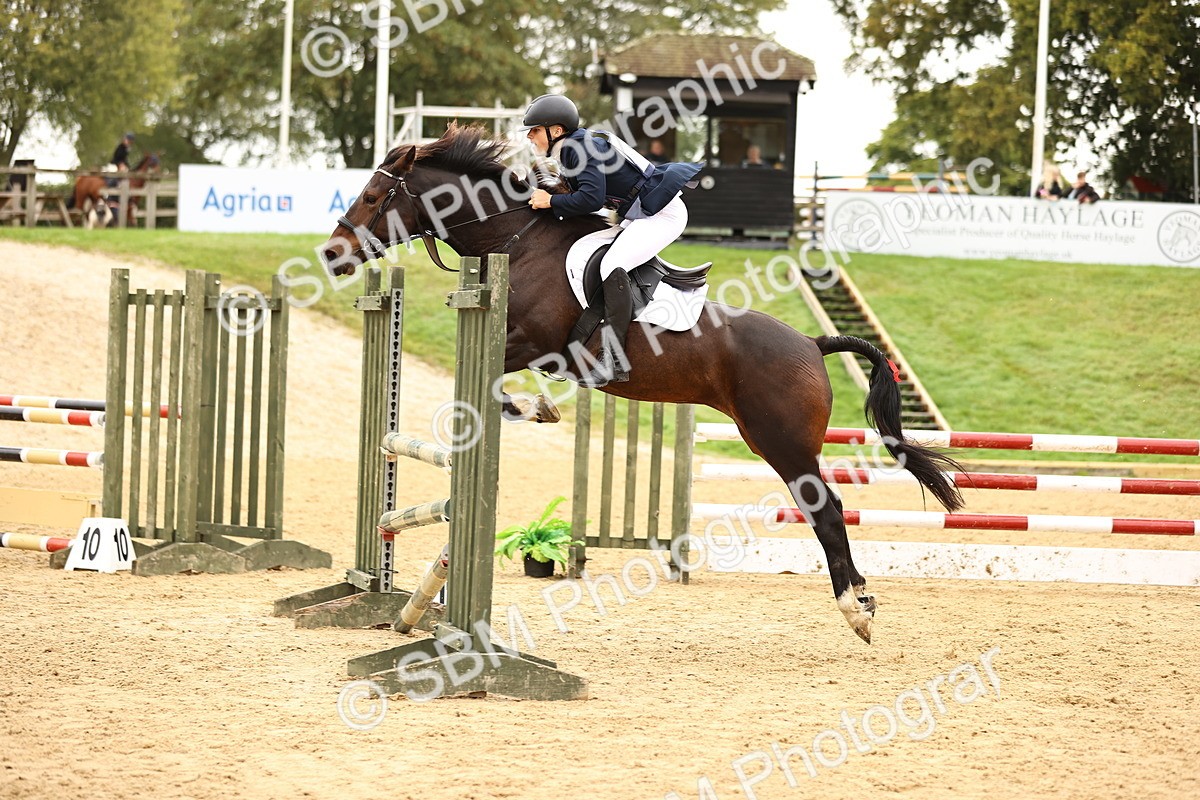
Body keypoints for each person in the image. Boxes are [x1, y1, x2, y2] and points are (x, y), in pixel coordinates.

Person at [522, 93, 702, 388]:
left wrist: (551, 202)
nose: (530, 136)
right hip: (641, 213)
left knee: (612, 264)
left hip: (662, 215)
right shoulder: (572, 148)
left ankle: (614, 360)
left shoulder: (579, 148)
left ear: (556, 131)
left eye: (535, 130)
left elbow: (591, 199)